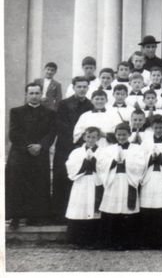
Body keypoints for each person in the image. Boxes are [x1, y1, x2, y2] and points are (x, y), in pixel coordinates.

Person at [6, 83, 57, 229]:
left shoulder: (50, 113)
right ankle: (15, 217)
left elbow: (51, 133)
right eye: (31, 93)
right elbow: (14, 133)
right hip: (20, 153)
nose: (34, 96)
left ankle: (34, 216)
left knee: (38, 184)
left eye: (37, 93)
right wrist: (28, 146)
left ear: (41, 94)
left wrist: (41, 146)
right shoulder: (16, 112)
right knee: (17, 184)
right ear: (26, 95)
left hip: (40, 153)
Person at [96, 122, 147, 250]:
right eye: (118, 135)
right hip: (113, 180)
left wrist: (126, 162)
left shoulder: (137, 149)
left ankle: (127, 242)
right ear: (115, 135)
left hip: (128, 180)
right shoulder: (109, 149)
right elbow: (101, 164)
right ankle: (110, 242)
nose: (121, 137)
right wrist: (113, 162)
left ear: (129, 134)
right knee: (112, 209)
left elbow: (141, 164)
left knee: (127, 210)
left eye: (124, 135)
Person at [52, 76, 94, 220]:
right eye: (79, 86)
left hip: (83, 146)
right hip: (65, 145)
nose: (82, 89)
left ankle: (77, 214)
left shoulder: (91, 105)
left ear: (88, 88)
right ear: (74, 87)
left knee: (80, 178)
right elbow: (59, 123)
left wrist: (82, 141)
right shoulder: (64, 104)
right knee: (62, 176)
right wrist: (75, 137)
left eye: (84, 87)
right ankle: (58, 214)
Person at [64, 126, 102, 248]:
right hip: (81, 182)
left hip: (95, 182)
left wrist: (95, 164)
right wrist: (84, 164)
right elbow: (70, 166)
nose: (91, 140)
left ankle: (92, 241)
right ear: (84, 137)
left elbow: (105, 166)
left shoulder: (103, 152)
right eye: (88, 137)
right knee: (79, 210)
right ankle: (75, 240)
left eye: (94, 137)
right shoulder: (76, 152)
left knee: (93, 209)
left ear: (98, 138)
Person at [139, 115, 162, 249]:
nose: (158, 130)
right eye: (156, 128)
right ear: (151, 128)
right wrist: (150, 159)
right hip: (149, 176)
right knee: (147, 207)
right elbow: (141, 158)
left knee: (161, 207)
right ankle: (147, 240)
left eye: (161, 127)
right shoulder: (146, 142)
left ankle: (161, 241)